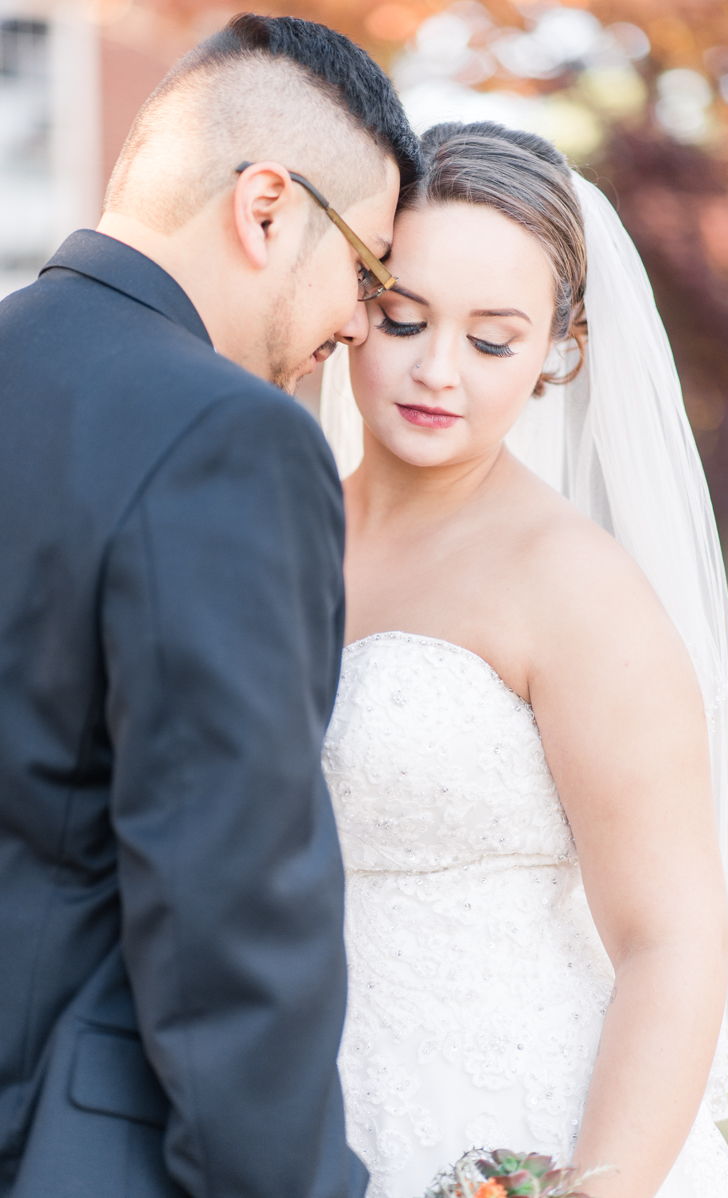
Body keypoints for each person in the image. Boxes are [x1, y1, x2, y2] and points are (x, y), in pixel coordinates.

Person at [0, 14, 419, 1198]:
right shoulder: (228, 438)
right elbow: (230, 910)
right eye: (369, 267)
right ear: (268, 207)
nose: (356, 323)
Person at [319, 122, 728, 1198]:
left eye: (491, 339)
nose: (435, 370)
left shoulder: (572, 585)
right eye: (404, 317)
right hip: (299, 1116)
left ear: (556, 350)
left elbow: (670, 938)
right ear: (350, 305)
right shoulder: (277, 530)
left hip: (520, 1135)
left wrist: (589, 1187)